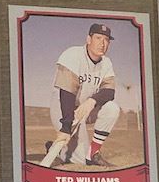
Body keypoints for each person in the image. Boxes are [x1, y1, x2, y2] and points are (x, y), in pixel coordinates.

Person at [45, 23, 121, 167]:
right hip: (63, 107)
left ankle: (93, 153)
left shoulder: (106, 63)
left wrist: (92, 101)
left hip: (85, 107)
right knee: (79, 160)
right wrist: (66, 127)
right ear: (88, 39)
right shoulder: (73, 55)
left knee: (112, 108)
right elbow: (66, 93)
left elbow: (110, 92)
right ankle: (54, 148)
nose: (102, 43)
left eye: (106, 40)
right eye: (98, 38)